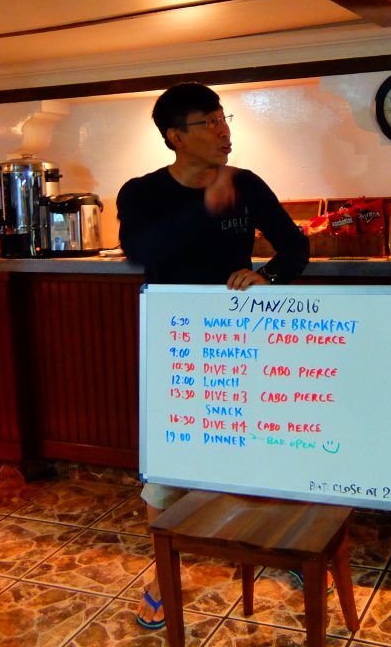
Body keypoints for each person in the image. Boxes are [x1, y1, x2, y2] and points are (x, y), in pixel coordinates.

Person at [116, 82, 309, 630]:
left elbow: (295, 246)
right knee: (168, 462)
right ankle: (163, 574)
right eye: (209, 121)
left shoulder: (246, 185)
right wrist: (204, 206)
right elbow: (141, 250)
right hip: (176, 343)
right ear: (175, 136)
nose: (224, 131)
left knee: (264, 442)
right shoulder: (142, 192)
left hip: (242, 336)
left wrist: (268, 275)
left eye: (224, 119)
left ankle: (286, 549)